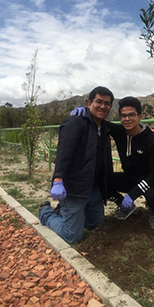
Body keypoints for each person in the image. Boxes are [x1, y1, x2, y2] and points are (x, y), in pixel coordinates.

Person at [72, 96, 154, 229]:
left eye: (131, 115)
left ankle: (153, 211)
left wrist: (132, 195)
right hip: (130, 177)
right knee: (102, 180)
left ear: (140, 116)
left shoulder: (151, 141)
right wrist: (86, 111)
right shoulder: (119, 132)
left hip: (150, 181)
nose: (127, 119)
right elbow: (100, 120)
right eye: (123, 116)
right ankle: (124, 205)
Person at [39, 86, 114, 243]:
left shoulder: (105, 128)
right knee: (72, 236)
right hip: (75, 188)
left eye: (107, 103)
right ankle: (46, 212)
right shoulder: (75, 123)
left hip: (94, 188)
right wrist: (58, 180)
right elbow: (63, 153)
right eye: (98, 102)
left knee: (96, 224)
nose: (103, 106)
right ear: (89, 103)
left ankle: (66, 213)